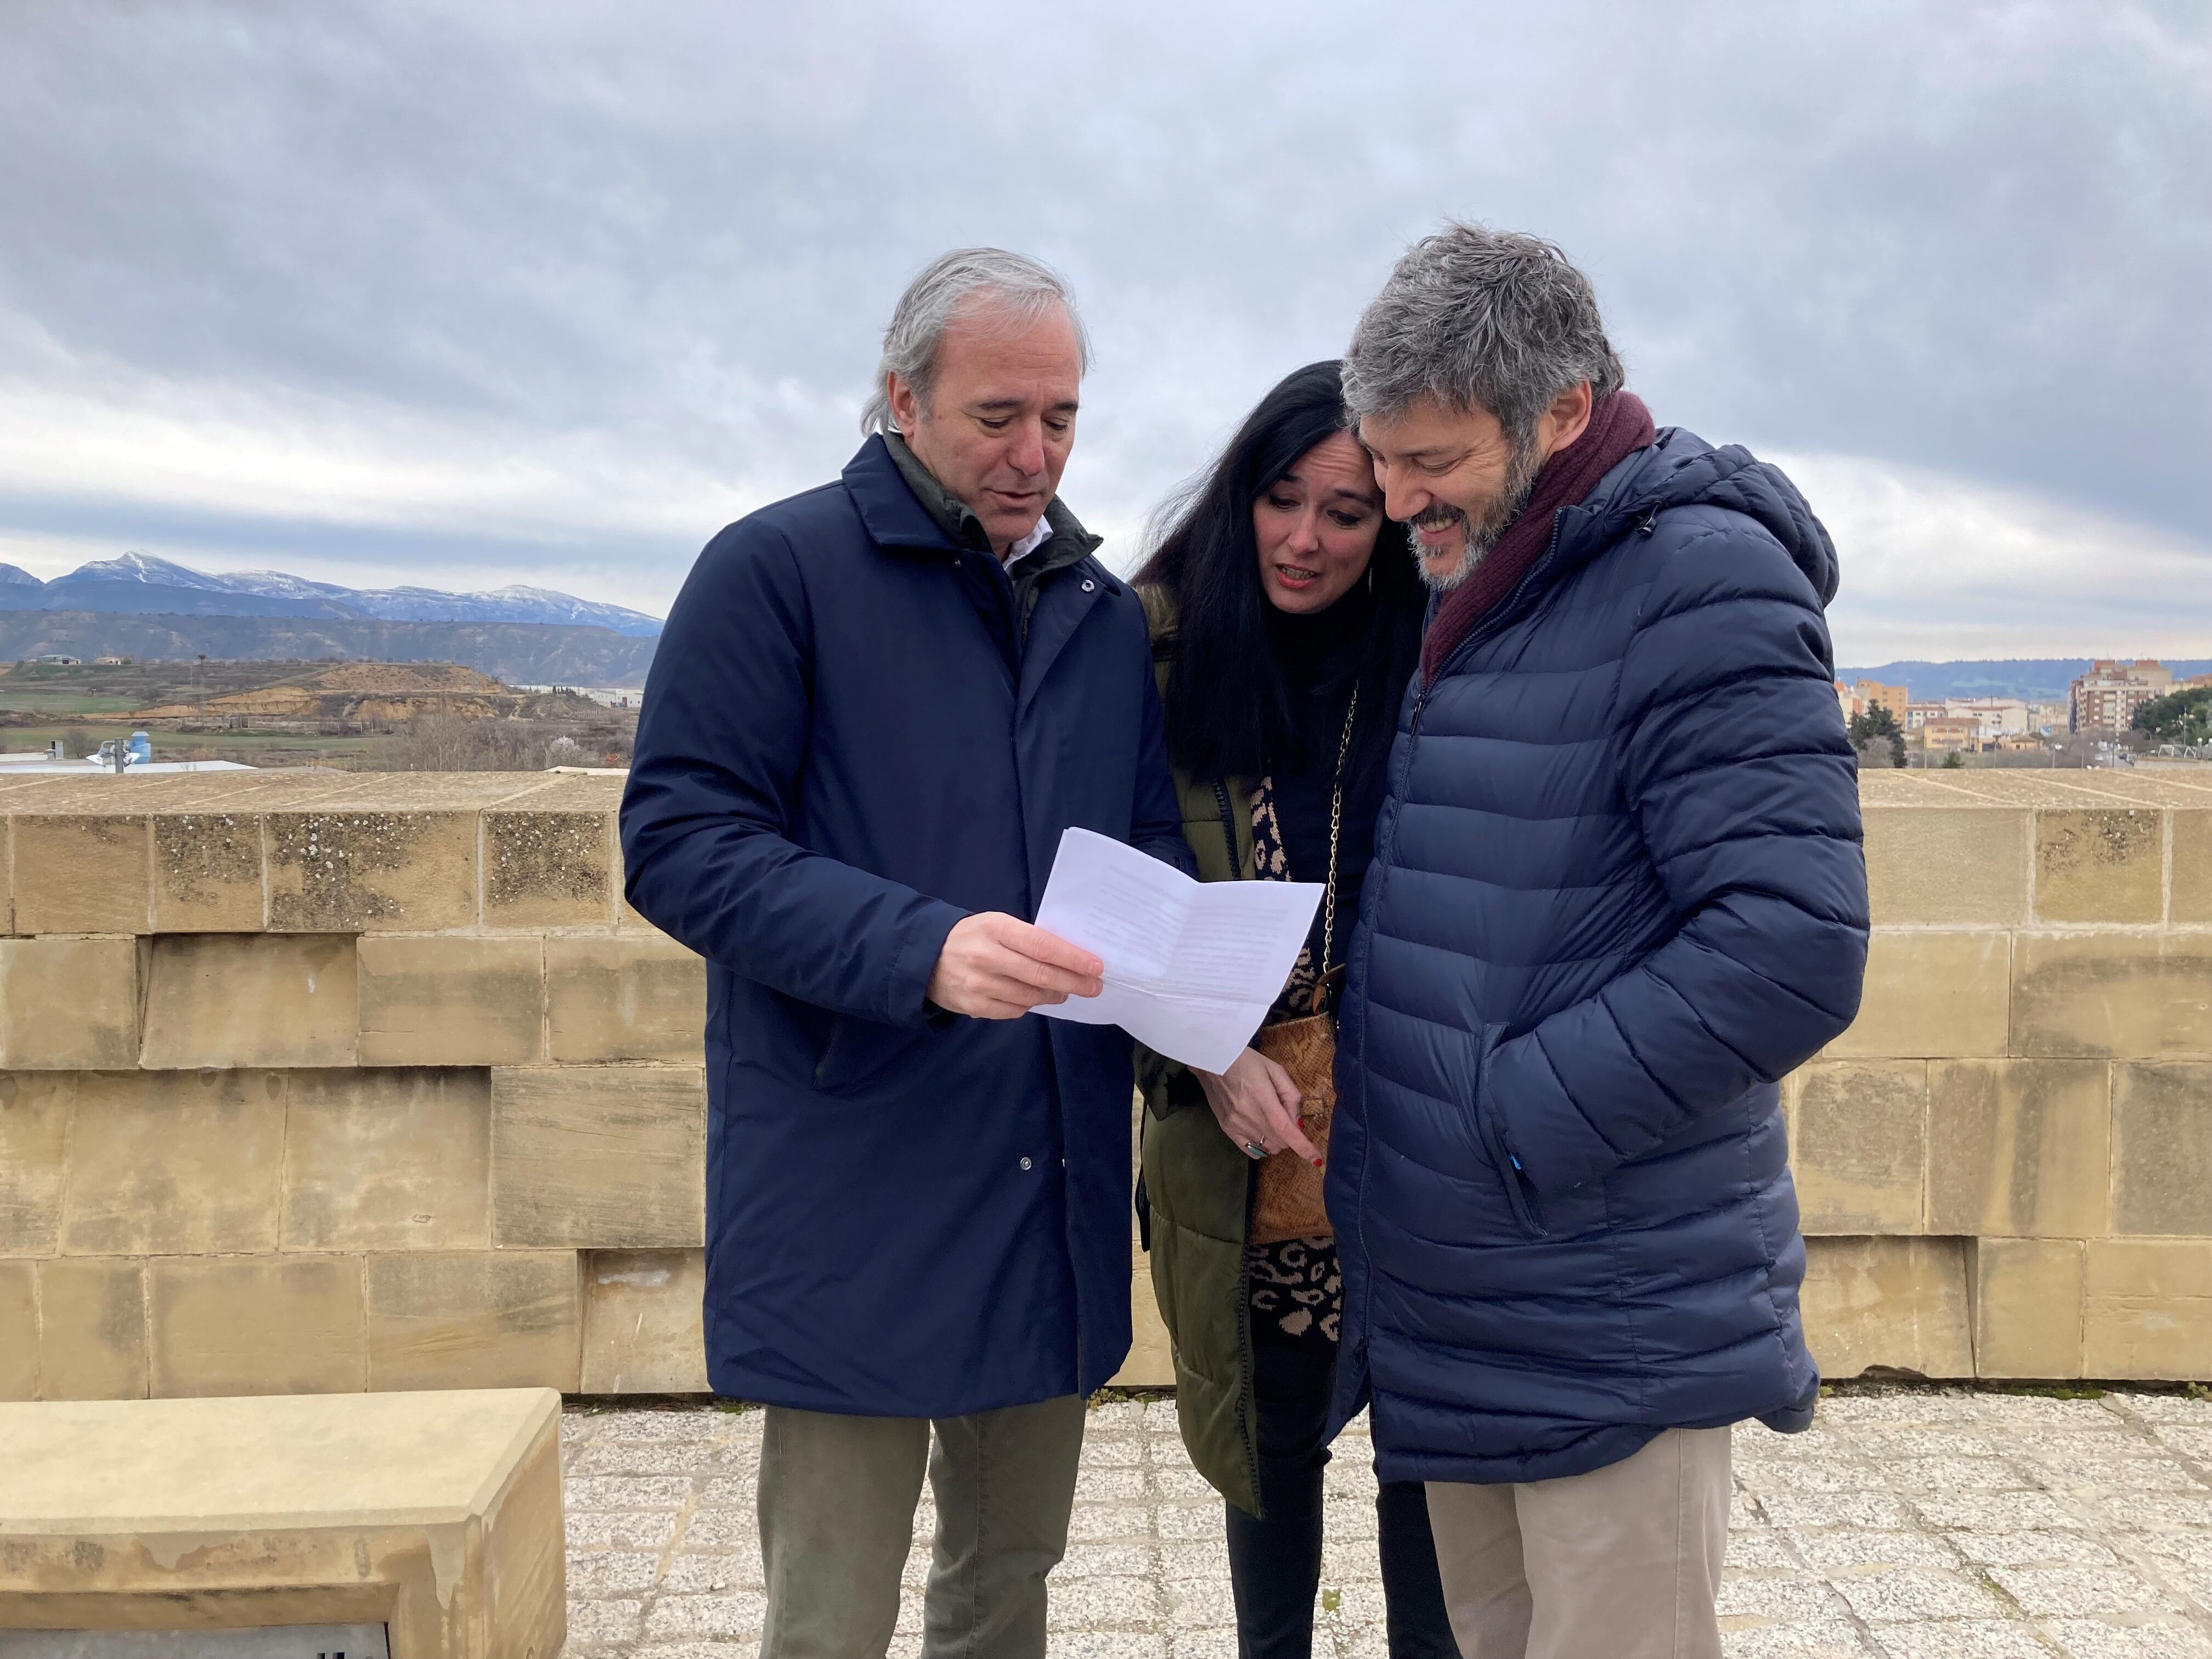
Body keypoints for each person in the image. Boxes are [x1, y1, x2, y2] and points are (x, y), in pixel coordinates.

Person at [620, 247, 1189, 1659]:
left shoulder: (1100, 617)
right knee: (832, 1610)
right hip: (853, 1184)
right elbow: (679, 839)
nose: (1036, 452)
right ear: (900, 397)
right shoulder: (776, 572)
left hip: (1044, 1170)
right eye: (999, 415)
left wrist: (1187, 954)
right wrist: (920, 947)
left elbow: (1140, 845)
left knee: (1008, 1589)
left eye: (1061, 417)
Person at [1324, 225, 1870, 1659]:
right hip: (1469, 1313)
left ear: (1560, 411)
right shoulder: (1494, 574)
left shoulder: (1697, 580)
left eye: (1429, 462)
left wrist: (1513, 1116)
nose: (1396, 500)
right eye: (1382, 461)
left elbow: (1789, 946)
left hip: (1604, 1310)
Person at [1132, 362, 1457, 1658]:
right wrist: (1205, 1051)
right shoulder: (1154, 646)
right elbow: (1109, 888)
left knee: (1427, 1463)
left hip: (1403, 1116)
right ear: (1241, 493)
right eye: (1282, 500)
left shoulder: (1429, 655)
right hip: (1238, 1122)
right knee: (1268, 1463)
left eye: (1345, 512)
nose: (1307, 540)